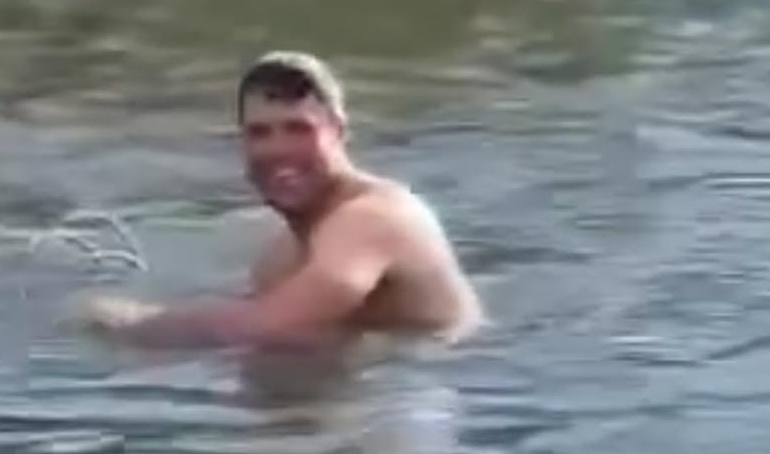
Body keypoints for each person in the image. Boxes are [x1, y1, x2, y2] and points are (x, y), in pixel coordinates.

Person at [78, 51, 483, 349]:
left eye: (298, 129)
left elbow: (257, 326)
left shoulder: (373, 219)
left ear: (339, 131)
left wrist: (126, 323)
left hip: (431, 397)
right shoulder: (282, 257)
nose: (279, 149)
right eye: (260, 133)